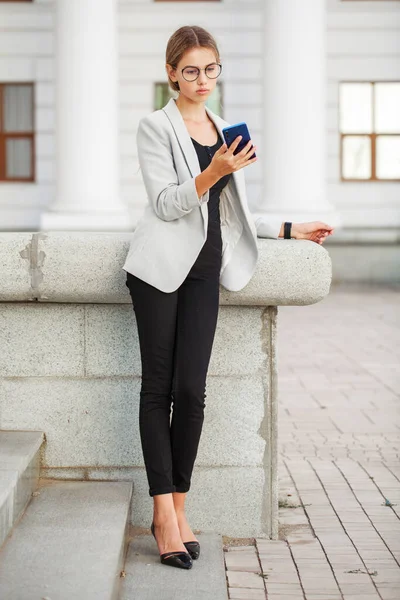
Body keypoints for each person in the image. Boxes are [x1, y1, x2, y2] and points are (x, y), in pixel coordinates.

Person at [123, 25, 334, 570]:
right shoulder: (154, 127)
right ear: (172, 72)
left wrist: (290, 229)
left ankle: (181, 504)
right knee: (158, 388)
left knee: (192, 391)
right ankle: (164, 514)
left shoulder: (223, 128)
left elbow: (232, 210)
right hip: (159, 270)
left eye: (211, 69)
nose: (202, 80)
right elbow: (167, 204)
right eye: (190, 70)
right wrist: (212, 169)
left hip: (205, 270)